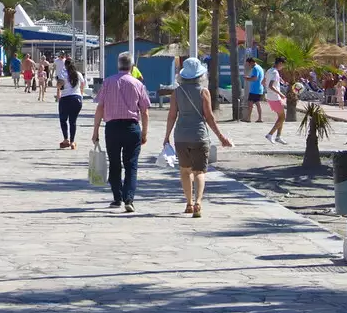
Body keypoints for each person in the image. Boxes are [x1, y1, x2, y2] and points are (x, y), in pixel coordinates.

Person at [164, 58, 233, 216]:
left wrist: (166, 136)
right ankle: (198, 202)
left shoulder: (176, 92)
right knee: (199, 172)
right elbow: (209, 117)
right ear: (200, 75)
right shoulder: (203, 92)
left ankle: (188, 203)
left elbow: (172, 116)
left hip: (181, 136)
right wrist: (221, 137)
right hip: (199, 136)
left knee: (184, 171)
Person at [91, 52, 150, 212]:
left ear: (118, 65)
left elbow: (100, 107)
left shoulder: (108, 82)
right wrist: (145, 132)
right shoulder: (138, 84)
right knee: (131, 165)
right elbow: (144, 111)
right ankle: (128, 199)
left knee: (115, 164)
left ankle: (117, 197)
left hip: (112, 128)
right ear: (132, 66)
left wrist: (95, 130)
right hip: (132, 127)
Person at [56, 57, 84, 149]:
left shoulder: (63, 74)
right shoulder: (78, 74)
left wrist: (59, 88)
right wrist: (81, 95)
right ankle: (72, 142)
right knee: (73, 121)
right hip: (77, 98)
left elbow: (59, 86)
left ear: (65, 65)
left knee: (63, 120)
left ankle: (66, 139)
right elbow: (82, 84)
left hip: (65, 99)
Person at [263, 57, 288, 144]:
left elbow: (263, 82)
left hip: (270, 97)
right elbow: (271, 85)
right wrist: (280, 93)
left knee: (281, 117)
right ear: (280, 63)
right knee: (282, 117)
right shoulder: (275, 73)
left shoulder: (269, 70)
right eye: (283, 65)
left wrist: (278, 80)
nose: (283, 67)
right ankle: (270, 134)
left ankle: (278, 137)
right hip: (275, 97)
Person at [243, 57, 266, 123]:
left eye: (249, 64)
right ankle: (256, 118)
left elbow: (255, 78)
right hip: (257, 89)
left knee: (252, 103)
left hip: (255, 89)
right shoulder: (259, 67)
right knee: (255, 103)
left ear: (252, 62)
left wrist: (247, 78)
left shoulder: (255, 68)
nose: (249, 66)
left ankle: (249, 119)